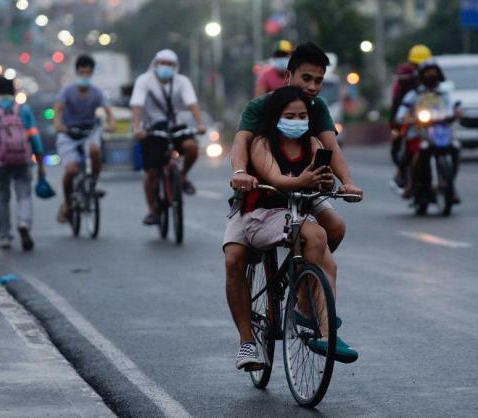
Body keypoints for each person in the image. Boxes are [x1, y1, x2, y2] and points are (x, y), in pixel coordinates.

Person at [224, 42, 363, 370]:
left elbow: (330, 148)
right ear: (287, 76)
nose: (312, 87)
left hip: (302, 195)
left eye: (318, 80)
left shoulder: (318, 110)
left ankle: (302, 289)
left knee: (333, 229)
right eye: (306, 78)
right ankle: (247, 343)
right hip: (260, 196)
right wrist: (240, 173)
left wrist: (345, 181)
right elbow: (241, 143)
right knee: (234, 259)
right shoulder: (260, 108)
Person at [130, 49, 206, 225]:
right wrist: (137, 127)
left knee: (192, 147)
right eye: (162, 63)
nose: (166, 67)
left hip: (175, 125)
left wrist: (200, 124)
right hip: (152, 129)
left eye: (170, 64)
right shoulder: (144, 80)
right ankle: (152, 211)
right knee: (152, 172)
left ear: (175, 66)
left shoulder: (182, 82)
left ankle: (182, 177)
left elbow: (192, 104)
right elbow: (137, 105)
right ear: (156, 64)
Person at [0, 76, 44, 250]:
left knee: (2, 198)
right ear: (14, 91)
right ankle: (24, 222)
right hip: (23, 160)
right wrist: (39, 162)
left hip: (1, 163)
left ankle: (4, 237)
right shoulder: (23, 110)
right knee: (24, 195)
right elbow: (34, 137)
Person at [54, 54, 116, 223]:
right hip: (69, 133)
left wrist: (111, 123)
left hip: (89, 132)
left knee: (95, 150)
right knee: (71, 170)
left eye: (88, 73)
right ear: (77, 73)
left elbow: (108, 111)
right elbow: (58, 109)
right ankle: (67, 204)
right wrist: (58, 124)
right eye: (82, 72)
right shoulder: (67, 91)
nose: (85, 76)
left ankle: (94, 183)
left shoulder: (97, 93)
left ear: (92, 74)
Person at [395, 60, 461, 200]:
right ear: (421, 75)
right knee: (417, 155)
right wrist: (408, 118)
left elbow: (455, 106)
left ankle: (450, 184)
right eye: (427, 73)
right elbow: (401, 114)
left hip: (441, 132)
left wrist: (457, 112)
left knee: (455, 148)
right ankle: (412, 184)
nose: (431, 75)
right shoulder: (414, 94)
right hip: (419, 133)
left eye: (433, 72)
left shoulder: (445, 93)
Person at [390, 44, 432, 188]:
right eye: (416, 64)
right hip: (407, 114)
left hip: (431, 117)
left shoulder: (434, 76)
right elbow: (397, 101)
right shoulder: (404, 76)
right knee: (401, 142)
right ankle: (401, 173)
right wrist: (397, 122)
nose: (419, 68)